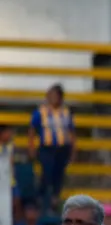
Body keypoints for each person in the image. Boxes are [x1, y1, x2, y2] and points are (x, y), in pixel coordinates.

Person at [28, 84, 75, 212]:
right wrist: (31, 147)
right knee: (46, 172)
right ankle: (41, 197)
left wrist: (73, 151)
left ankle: (54, 200)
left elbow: (71, 132)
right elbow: (32, 130)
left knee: (58, 175)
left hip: (62, 147)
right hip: (47, 148)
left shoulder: (66, 112)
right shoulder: (41, 111)